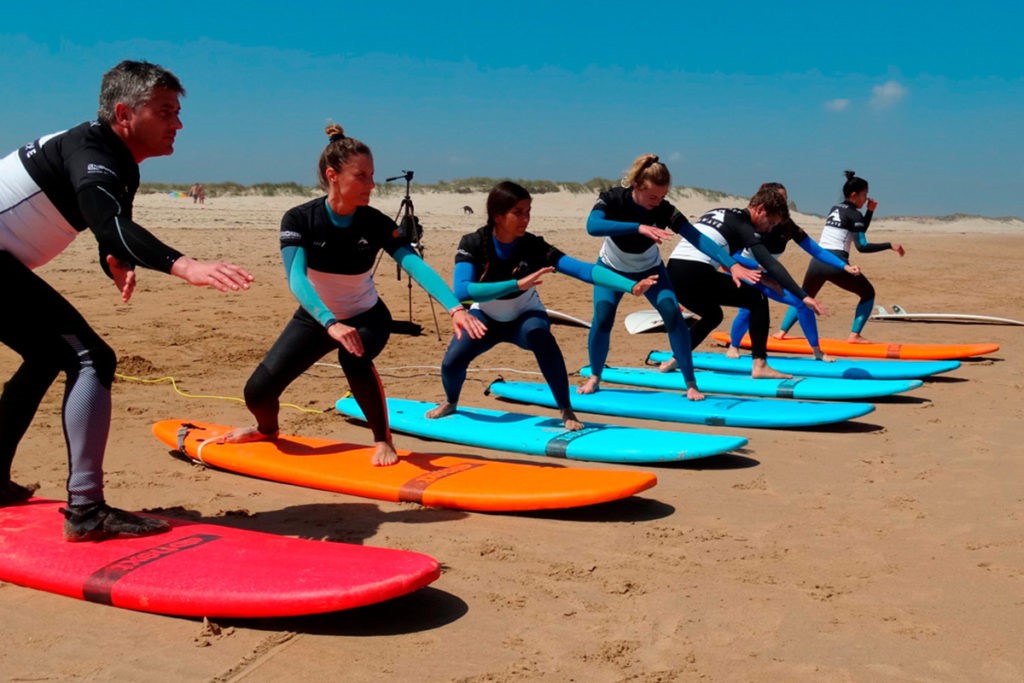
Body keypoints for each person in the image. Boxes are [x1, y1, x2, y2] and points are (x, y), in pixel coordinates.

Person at [0, 60, 254, 541]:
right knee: (91, 357)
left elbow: (109, 229)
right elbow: (108, 221)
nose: (177, 123)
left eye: (178, 112)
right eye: (164, 111)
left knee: (46, 354)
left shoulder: (116, 161)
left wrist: (115, 260)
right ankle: (87, 510)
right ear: (123, 113)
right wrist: (185, 265)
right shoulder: (92, 151)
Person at [219, 123, 486, 466]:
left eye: (372, 175)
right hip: (317, 318)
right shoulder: (301, 218)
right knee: (257, 392)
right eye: (362, 176)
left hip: (367, 317)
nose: (372, 185)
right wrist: (329, 322)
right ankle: (267, 430)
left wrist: (455, 308)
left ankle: (382, 440)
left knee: (354, 357)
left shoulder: (374, 221)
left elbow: (415, 266)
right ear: (333, 175)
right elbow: (296, 279)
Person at [425, 181, 657, 430]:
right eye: (518, 213)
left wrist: (629, 285)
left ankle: (566, 410)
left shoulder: (533, 245)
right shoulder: (473, 243)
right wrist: (516, 284)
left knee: (541, 337)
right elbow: (463, 291)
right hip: (485, 317)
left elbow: (583, 269)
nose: (526, 219)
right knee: (452, 361)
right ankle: (451, 401)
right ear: (498, 215)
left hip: (525, 315)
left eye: (528, 211)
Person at [578, 154, 761, 399]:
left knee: (673, 315)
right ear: (636, 187)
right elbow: (593, 226)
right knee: (602, 319)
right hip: (611, 267)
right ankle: (594, 378)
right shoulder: (613, 199)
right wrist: (638, 227)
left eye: (662, 196)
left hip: (650, 270)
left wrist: (731, 264)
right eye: (653, 196)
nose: (658, 202)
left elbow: (697, 238)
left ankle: (690, 384)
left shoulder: (664, 210)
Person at [663, 188, 825, 378]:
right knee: (757, 297)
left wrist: (759, 276)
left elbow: (718, 248)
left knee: (713, 315)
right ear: (760, 209)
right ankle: (760, 365)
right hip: (696, 271)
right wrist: (803, 296)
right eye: (771, 222)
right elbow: (770, 264)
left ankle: (677, 359)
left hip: (673, 273)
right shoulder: (743, 225)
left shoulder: (720, 213)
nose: (770, 229)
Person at [725, 182, 862, 361]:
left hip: (769, 273)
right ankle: (733, 347)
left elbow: (817, 250)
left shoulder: (787, 225)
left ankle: (817, 351)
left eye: (785, 199)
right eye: (780, 198)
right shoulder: (752, 222)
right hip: (744, 272)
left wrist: (843, 266)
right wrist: (754, 267)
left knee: (802, 302)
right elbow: (731, 254)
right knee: (748, 309)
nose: (783, 203)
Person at [776, 170, 905, 343]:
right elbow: (862, 246)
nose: (866, 198)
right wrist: (889, 245)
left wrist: (869, 211)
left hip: (817, 261)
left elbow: (857, 229)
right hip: (836, 262)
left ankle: (781, 332)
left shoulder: (836, 208)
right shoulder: (854, 214)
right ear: (854, 195)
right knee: (868, 293)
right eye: (864, 194)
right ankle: (854, 335)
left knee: (805, 296)